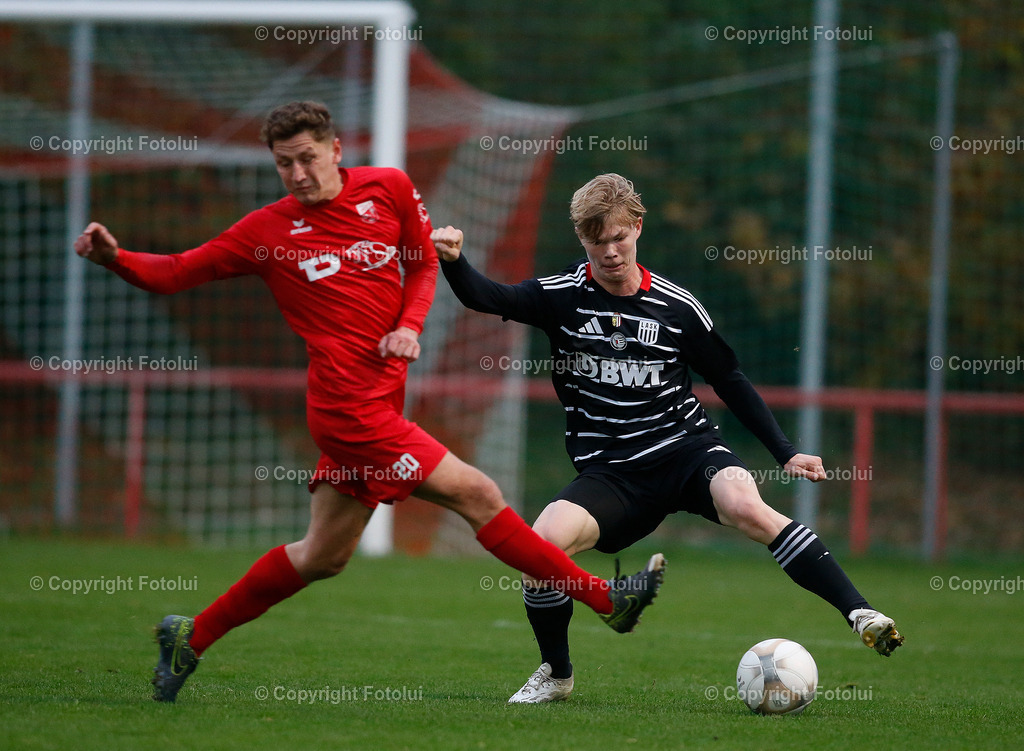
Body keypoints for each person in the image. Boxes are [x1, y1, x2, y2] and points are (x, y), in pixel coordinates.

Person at [74, 104, 666, 703]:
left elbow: (421, 266)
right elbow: (176, 270)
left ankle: (189, 636)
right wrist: (115, 259)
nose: (298, 173)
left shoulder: (389, 188)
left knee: (322, 556)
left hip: (380, 405)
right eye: (285, 164)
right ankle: (605, 599)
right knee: (478, 494)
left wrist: (409, 325)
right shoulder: (266, 232)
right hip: (348, 413)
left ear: (335, 150)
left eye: (307, 158)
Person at [433, 173, 904, 704]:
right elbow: (483, 295)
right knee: (539, 549)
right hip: (612, 473)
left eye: (618, 238)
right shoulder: (561, 297)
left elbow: (729, 379)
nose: (610, 252)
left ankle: (859, 611)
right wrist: (454, 260)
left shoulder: (678, 308)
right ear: (581, 240)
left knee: (747, 506)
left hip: (687, 452)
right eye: (596, 241)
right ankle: (557, 675)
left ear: (637, 226)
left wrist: (785, 451)